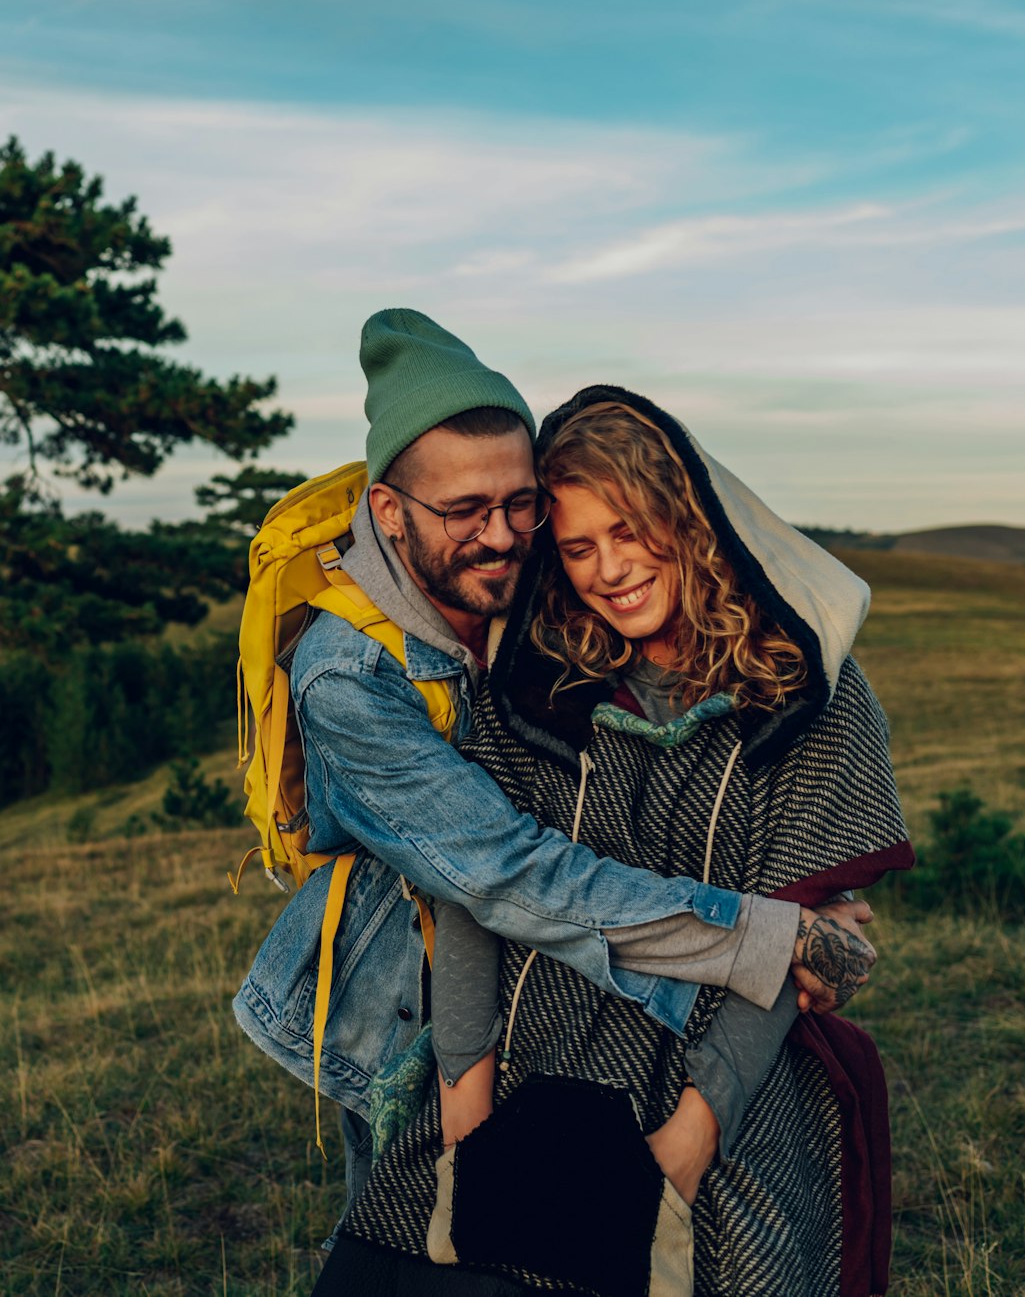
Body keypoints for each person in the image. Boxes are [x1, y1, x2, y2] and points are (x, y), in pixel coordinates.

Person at [231, 311, 880, 1264]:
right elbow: (496, 876)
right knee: (422, 1244)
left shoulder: (530, 593)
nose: (504, 537)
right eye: (465, 511)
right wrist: (772, 937)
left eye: (520, 504)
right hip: (404, 1001)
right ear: (388, 511)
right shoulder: (350, 675)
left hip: (570, 988)